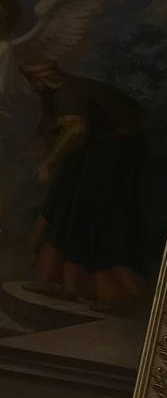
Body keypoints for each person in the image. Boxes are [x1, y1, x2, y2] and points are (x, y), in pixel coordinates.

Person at [22, 60, 145, 305]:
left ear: (43, 80)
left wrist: (49, 164)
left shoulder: (69, 91)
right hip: (94, 148)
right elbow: (52, 128)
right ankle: (60, 282)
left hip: (113, 153)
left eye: (33, 82)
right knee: (62, 205)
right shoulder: (57, 95)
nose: (33, 88)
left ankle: (116, 292)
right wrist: (44, 157)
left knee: (88, 212)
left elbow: (75, 130)